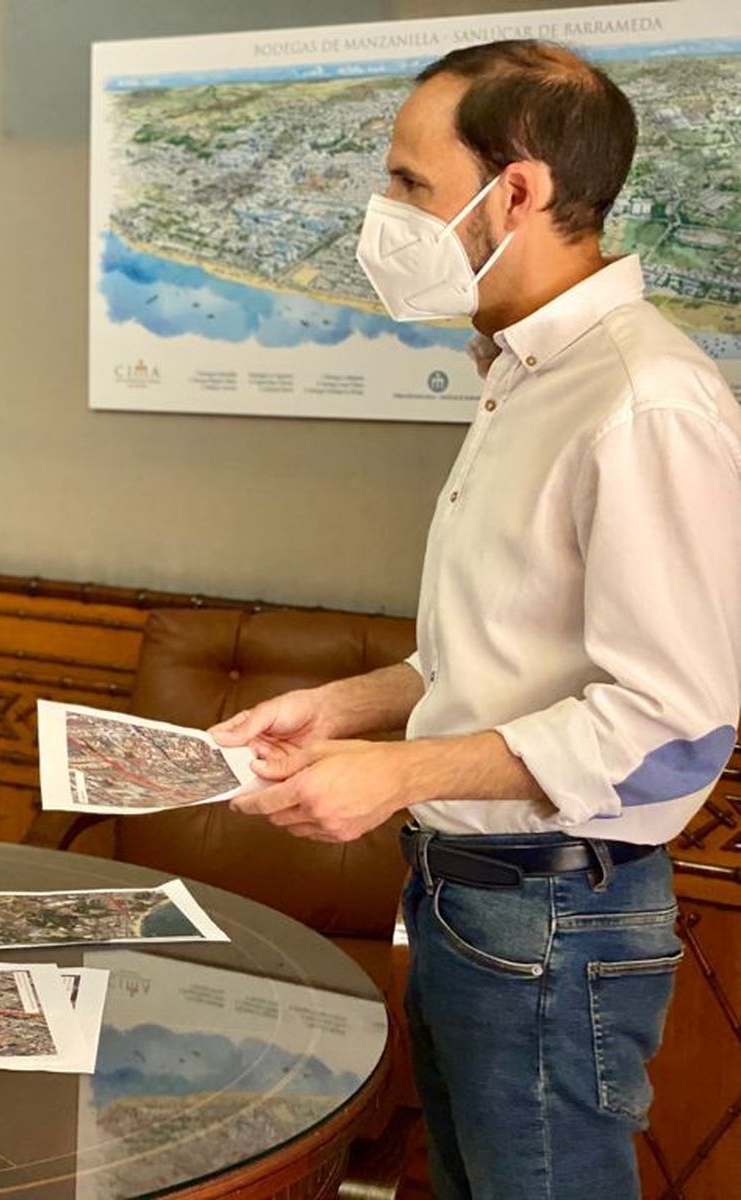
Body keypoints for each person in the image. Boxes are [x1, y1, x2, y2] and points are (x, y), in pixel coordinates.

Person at [213, 40, 741, 1200]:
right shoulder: (525, 372)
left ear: (519, 190)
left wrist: (393, 776)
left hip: (555, 915)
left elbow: (672, 718)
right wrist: (343, 707)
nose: (383, 213)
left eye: (408, 183)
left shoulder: (644, 401)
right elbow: (499, 648)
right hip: (468, 899)